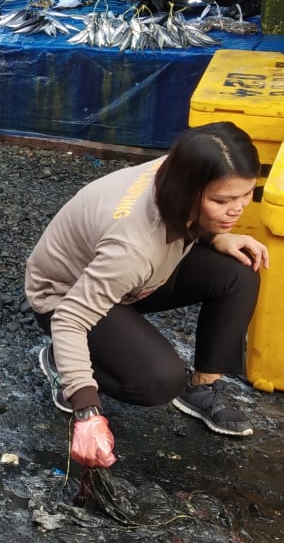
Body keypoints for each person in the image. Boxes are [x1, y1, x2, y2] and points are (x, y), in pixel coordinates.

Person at [26, 122, 267, 469]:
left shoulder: (178, 169)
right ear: (187, 191)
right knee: (158, 381)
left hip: (133, 278)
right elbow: (70, 318)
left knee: (240, 271)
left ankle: (201, 388)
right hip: (65, 297)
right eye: (223, 201)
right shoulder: (133, 245)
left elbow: (185, 224)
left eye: (247, 194)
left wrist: (215, 237)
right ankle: (62, 364)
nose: (238, 208)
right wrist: (86, 409)